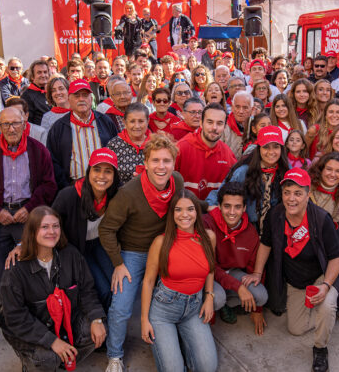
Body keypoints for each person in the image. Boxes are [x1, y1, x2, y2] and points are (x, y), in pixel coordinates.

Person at [99, 134, 184, 372]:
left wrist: (211, 206)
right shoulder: (128, 193)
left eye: (166, 161)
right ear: (145, 163)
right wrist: (118, 263)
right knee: (121, 306)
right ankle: (114, 356)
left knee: (179, 293)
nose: (161, 166)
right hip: (133, 252)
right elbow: (106, 229)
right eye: (155, 160)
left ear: (173, 163)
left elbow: (189, 205)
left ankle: (177, 339)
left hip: (165, 247)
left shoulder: (177, 180)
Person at [255, 167, 339, 372]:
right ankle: (334, 308)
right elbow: (266, 244)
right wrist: (256, 272)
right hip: (295, 282)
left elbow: (336, 258)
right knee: (295, 329)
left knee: (326, 307)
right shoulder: (276, 214)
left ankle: (321, 348)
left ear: (308, 195)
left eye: (298, 193)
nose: (291, 199)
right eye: (287, 192)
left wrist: (325, 286)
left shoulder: (321, 218)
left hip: (320, 276)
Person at [0, 206, 107, 372]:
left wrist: (96, 319)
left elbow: (87, 290)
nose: (52, 231)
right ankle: (32, 361)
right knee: (47, 358)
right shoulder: (15, 269)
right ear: (32, 231)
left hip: (62, 322)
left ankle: (63, 359)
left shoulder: (70, 254)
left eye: (55, 226)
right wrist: (51, 341)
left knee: (96, 329)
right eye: (44, 227)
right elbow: (15, 317)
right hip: (29, 330)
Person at [141, 189, 217, 372]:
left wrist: (209, 297)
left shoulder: (209, 238)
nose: (185, 215)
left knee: (208, 368)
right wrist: (144, 320)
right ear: (172, 213)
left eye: (190, 209)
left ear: (197, 212)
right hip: (164, 311)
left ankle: (181, 342)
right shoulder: (161, 242)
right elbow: (148, 282)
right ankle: (173, 341)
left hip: (194, 308)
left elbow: (210, 270)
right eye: (178, 210)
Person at [48, 148, 119, 313]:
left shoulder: (116, 194)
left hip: (101, 243)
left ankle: (114, 321)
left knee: (117, 283)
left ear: (114, 176)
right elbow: (49, 222)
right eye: (97, 169)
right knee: (102, 288)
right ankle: (101, 323)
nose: (101, 176)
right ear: (88, 172)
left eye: (108, 171)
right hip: (77, 247)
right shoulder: (69, 195)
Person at [0, 107, 57, 293]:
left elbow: (49, 185)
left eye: (15, 123)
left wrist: (30, 208)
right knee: (0, 267)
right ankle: (5, 306)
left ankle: (31, 303)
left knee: (30, 264)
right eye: (5, 124)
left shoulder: (38, 150)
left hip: (28, 215)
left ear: (24, 125)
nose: (11, 129)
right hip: (0, 217)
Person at [203, 182, 268, 333]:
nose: (232, 212)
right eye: (227, 206)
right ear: (219, 206)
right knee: (217, 298)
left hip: (231, 272)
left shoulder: (250, 232)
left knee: (261, 295)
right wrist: (239, 288)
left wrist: (257, 310)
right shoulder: (207, 223)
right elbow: (210, 266)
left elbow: (254, 269)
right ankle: (217, 305)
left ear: (244, 208)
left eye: (237, 207)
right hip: (209, 274)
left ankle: (228, 303)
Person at [207, 125, 289, 234]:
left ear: (281, 149)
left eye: (276, 146)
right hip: (246, 231)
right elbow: (220, 195)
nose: (271, 152)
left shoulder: (286, 172)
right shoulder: (243, 172)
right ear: (259, 148)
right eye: (266, 147)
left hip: (274, 233)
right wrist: (211, 208)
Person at [46, 79, 118, 190]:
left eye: (85, 95)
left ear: (91, 98)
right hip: (73, 187)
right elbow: (53, 161)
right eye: (76, 96)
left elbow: (115, 151)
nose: (81, 99)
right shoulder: (58, 127)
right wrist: (66, 186)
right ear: (69, 100)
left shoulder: (105, 121)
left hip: (104, 186)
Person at [175, 103, 236, 200]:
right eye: (210, 122)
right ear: (201, 123)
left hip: (214, 211)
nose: (214, 127)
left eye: (219, 123)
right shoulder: (181, 148)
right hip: (185, 211)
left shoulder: (228, 154)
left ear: (225, 127)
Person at [309, 152, 339, 240]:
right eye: (329, 169)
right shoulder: (309, 187)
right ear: (321, 169)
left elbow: (337, 217)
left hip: (330, 228)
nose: (333, 174)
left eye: (338, 171)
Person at [107, 102, 150, 184]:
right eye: (132, 121)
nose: (137, 126)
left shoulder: (156, 143)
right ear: (124, 122)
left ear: (148, 121)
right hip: (122, 194)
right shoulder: (114, 145)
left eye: (141, 121)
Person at [222, 91, 253, 159]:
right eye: (237, 107)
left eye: (245, 107)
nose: (241, 111)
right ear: (232, 108)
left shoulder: (256, 128)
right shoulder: (223, 128)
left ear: (252, 110)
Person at [21, 59, 50, 125]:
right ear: (32, 76)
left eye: (45, 72)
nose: (43, 75)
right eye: (39, 72)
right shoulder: (27, 96)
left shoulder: (52, 92)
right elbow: (28, 122)